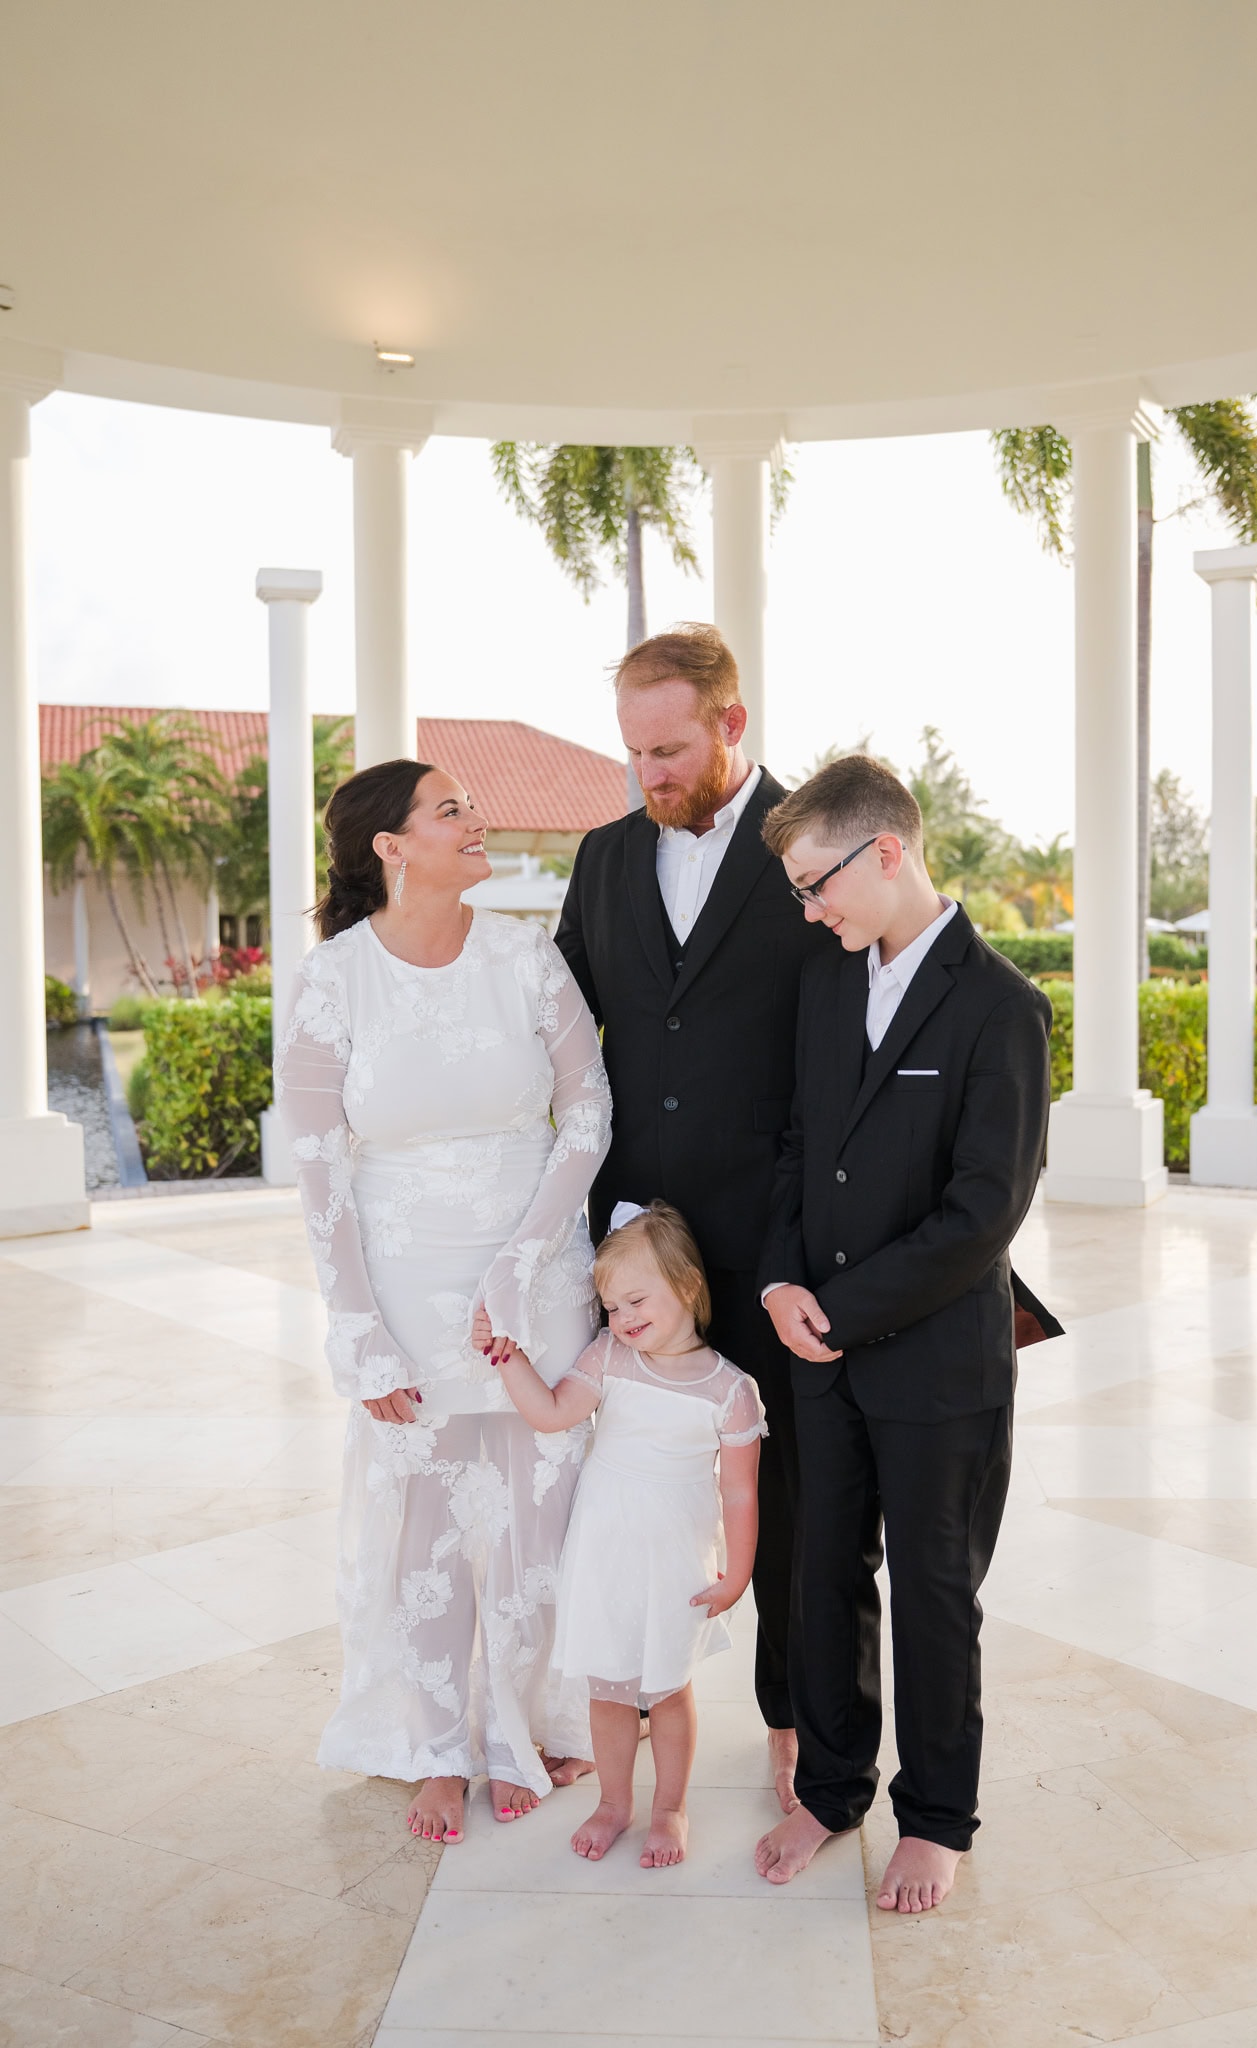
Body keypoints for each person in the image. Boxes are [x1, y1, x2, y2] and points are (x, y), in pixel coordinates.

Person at [274, 757, 609, 1848]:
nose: (476, 819)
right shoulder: (334, 977)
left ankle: (531, 1721)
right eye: (449, 809)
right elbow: (318, 1161)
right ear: (389, 845)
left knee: (539, 1511)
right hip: (405, 1281)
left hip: (537, 1265)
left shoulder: (525, 955)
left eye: (470, 801)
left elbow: (588, 1113)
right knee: (424, 1520)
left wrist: (523, 1260)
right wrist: (356, 1325)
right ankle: (433, 1744)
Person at [753, 754, 1053, 1914]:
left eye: (817, 882)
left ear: (887, 851)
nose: (809, 909)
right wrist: (781, 1282)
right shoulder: (825, 985)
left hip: (935, 1363)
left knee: (933, 1590)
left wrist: (844, 1308)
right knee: (823, 1573)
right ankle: (831, 1791)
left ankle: (937, 1819)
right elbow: (792, 1146)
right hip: (815, 1350)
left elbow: (985, 1213)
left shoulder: (1001, 1006)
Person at [555, 624, 823, 1813]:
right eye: (634, 754)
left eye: (668, 749)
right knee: (624, 1496)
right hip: (635, 1256)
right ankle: (614, 1705)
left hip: (774, 1240)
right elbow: (566, 1041)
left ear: (731, 725)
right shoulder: (605, 857)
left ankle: (794, 1719)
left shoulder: (813, 853)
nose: (649, 776)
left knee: (801, 1499)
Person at [474, 1199, 765, 1869]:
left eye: (637, 1300)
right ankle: (612, 1802)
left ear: (686, 1287)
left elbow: (739, 1489)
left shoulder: (730, 1390)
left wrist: (737, 1571)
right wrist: (505, 1354)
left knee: (665, 1690)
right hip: (602, 1558)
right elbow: (549, 1414)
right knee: (606, 1693)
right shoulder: (609, 1359)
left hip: (675, 1568)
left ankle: (669, 1808)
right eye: (611, 1307)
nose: (624, 1318)